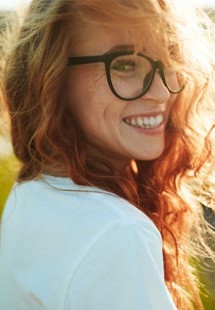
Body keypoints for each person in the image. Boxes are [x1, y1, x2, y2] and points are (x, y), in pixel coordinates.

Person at [0, 0, 214, 309]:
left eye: (170, 59)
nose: (162, 93)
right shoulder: (116, 232)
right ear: (51, 77)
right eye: (126, 64)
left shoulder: (34, 193)